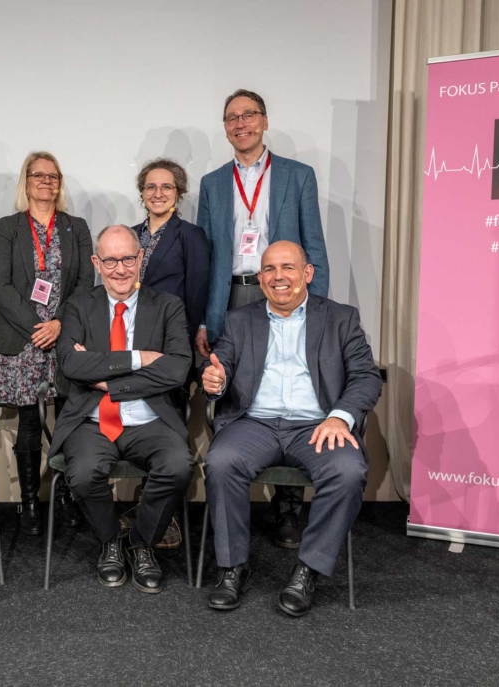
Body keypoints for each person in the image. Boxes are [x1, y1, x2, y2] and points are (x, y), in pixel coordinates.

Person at [200, 241, 380, 616]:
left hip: (317, 425)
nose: (278, 276)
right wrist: (216, 380)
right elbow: (222, 364)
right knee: (221, 461)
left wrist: (340, 416)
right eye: (269, 269)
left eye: (288, 267)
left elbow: (366, 377)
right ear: (260, 277)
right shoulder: (239, 320)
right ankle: (232, 567)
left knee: (347, 471)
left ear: (307, 273)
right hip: (255, 423)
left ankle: (308, 570)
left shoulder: (341, 318)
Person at [196, 88, 332, 548]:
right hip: (232, 297)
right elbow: (207, 258)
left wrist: (318, 313)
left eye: (249, 114)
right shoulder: (213, 183)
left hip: (286, 291)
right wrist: (205, 319)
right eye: (232, 117)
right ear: (225, 128)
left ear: (264, 121)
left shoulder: (297, 175)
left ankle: (288, 508)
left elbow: (314, 246)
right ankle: (232, 490)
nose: (241, 123)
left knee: (294, 386)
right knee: (235, 391)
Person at [51, 225, 194, 593]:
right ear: (96, 263)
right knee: (83, 473)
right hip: (92, 419)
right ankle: (111, 540)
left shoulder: (168, 306)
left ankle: (142, 543)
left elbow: (177, 368)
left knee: (178, 466)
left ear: (140, 258)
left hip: (150, 418)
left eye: (128, 259)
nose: (120, 269)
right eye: (111, 260)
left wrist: (107, 379)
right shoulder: (78, 306)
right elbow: (71, 364)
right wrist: (139, 358)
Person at [0, 151, 93, 535]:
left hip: (65, 336)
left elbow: (85, 283)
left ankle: (66, 495)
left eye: (53, 176)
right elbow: (0, 284)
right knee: (30, 423)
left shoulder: (76, 227)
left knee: (67, 420)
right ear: (27, 181)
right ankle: (30, 501)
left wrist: (59, 323)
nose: (46, 181)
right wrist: (39, 327)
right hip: (24, 338)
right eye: (39, 175)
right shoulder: (9, 226)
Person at [126, 158, 210, 547]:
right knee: (139, 426)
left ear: (179, 193)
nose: (157, 193)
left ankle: (167, 516)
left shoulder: (190, 235)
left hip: (171, 349)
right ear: (141, 192)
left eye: (166, 187)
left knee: (169, 429)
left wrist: (186, 353)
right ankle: (145, 508)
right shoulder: (129, 236)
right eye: (150, 186)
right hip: (129, 346)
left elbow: (195, 295)